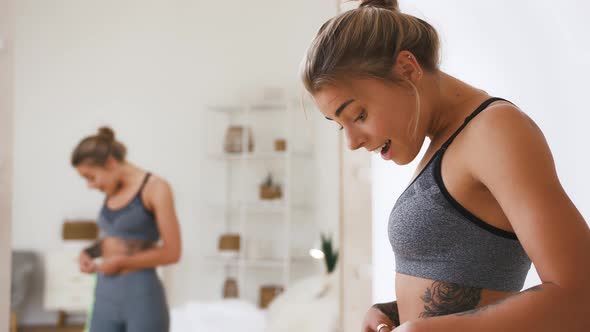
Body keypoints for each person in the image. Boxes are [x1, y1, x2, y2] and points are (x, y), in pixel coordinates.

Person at [300, 1, 590, 331]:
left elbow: (580, 297)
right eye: (341, 125)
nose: (352, 142)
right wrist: (396, 313)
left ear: (407, 69)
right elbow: (472, 282)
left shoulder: (495, 131)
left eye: (359, 115)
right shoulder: (446, 139)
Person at [72, 127, 181, 332]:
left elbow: (172, 252)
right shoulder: (112, 189)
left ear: (110, 163)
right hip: (105, 296)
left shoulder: (156, 188)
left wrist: (123, 262)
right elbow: (116, 237)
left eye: (91, 177)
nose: (89, 185)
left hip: (141, 297)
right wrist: (89, 252)